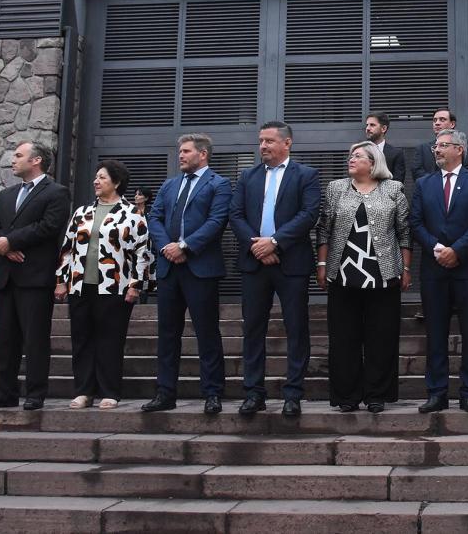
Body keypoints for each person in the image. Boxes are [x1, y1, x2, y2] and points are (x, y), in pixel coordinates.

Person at [229, 121, 320, 418]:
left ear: (287, 143)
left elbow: (309, 214)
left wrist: (276, 243)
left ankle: (293, 393)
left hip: (291, 264)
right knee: (253, 329)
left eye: (269, 141)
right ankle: (253, 393)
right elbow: (236, 214)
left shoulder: (306, 175)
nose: (263, 146)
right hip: (255, 263)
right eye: (261, 141)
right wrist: (258, 246)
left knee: (296, 328)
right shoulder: (248, 176)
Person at [316, 141, 411, 413]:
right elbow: (324, 229)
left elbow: (404, 232)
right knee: (344, 337)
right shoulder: (336, 188)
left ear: (373, 162)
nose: (351, 159)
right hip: (343, 272)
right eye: (350, 155)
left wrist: (406, 269)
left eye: (357, 156)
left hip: (383, 274)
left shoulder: (393, 189)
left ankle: (376, 395)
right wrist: (322, 264)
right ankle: (346, 396)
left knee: (381, 336)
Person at [143, 133, 232, 414]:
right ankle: (165, 393)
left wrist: (185, 246)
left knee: (207, 332)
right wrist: (166, 247)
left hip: (200, 268)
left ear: (203, 154)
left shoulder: (220, 184)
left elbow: (217, 221)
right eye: (179, 151)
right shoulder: (169, 185)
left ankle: (213, 393)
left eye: (186, 151)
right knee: (167, 333)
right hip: (169, 268)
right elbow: (154, 217)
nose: (180, 155)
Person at [54, 160, 153, 410]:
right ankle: (83, 391)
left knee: (111, 339)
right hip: (80, 285)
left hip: (115, 286)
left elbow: (143, 252)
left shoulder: (132, 214)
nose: (96, 182)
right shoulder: (82, 213)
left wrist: (135, 285)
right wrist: (62, 281)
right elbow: (67, 249)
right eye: (96, 177)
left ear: (116, 183)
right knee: (82, 339)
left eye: (102, 178)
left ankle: (110, 391)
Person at [0, 142, 70, 410]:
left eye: (19, 155)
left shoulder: (56, 192)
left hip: (35, 276)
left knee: (35, 338)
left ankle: (35, 393)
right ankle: (4, 393)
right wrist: (4, 247)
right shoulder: (7, 194)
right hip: (7, 275)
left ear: (37, 160)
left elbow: (49, 226)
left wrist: (12, 241)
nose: (13, 160)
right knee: (5, 338)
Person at [410, 129, 468, 414]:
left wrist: (457, 250)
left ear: (460, 150)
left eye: (444, 145)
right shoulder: (423, 183)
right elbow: (416, 222)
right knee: (435, 332)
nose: (437, 150)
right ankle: (436, 392)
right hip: (434, 269)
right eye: (436, 146)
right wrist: (437, 248)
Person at [411, 108, 468, 180]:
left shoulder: (465, 146)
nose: (437, 123)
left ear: (452, 124)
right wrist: (438, 183)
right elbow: (417, 172)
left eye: (442, 120)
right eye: (435, 120)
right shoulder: (422, 149)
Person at [364, 111, 406, 184]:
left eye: (372, 125)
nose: (367, 128)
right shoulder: (359, 151)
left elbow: (397, 184)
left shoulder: (396, 154)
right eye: (367, 125)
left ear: (383, 128)